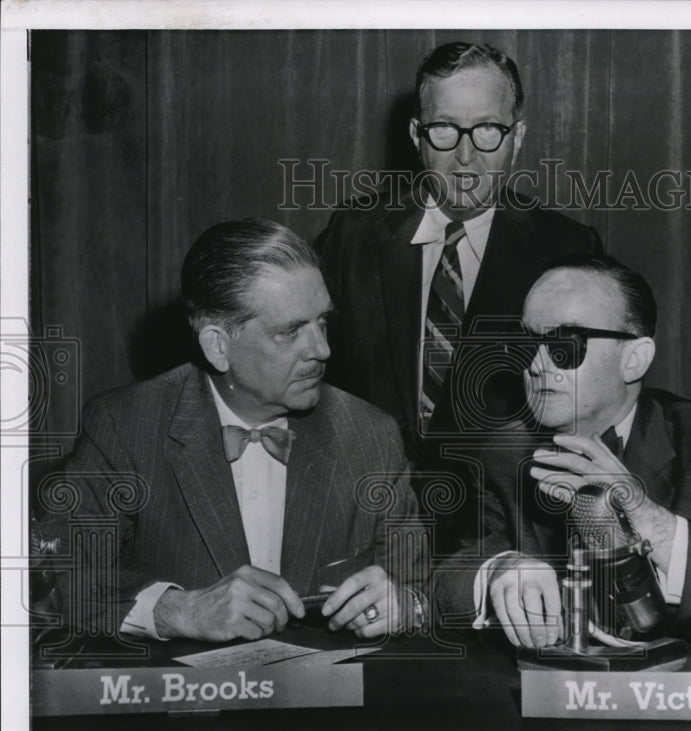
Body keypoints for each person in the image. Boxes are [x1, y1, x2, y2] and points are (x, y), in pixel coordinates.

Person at [44, 219, 427, 642]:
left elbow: (418, 589)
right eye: (290, 331)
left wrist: (406, 605)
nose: (322, 349)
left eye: (322, 322)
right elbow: (56, 580)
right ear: (218, 345)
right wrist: (179, 610)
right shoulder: (125, 426)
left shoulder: (370, 435)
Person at [432, 254, 691, 649]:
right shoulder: (500, 453)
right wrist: (499, 569)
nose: (535, 365)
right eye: (525, 342)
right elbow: (444, 578)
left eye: (564, 345)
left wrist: (651, 521)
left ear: (634, 359)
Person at [315, 41, 602, 462]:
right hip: (370, 500)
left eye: (487, 129)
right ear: (417, 135)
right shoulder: (353, 234)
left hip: (505, 514)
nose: (465, 157)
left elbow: (588, 404)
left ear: (516, 137)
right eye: (444, 128)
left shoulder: (566, 250)